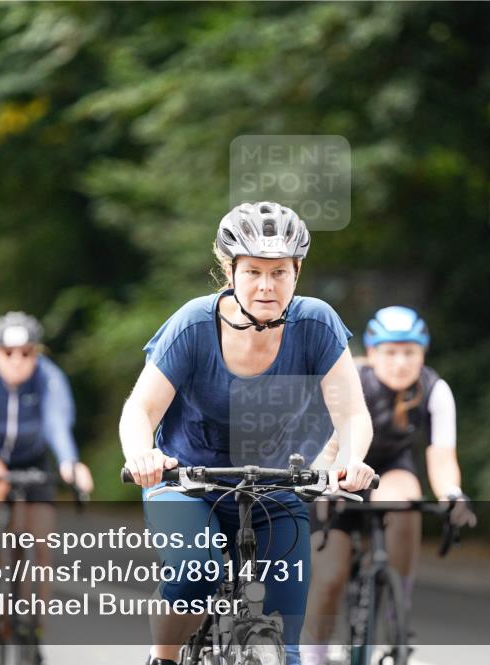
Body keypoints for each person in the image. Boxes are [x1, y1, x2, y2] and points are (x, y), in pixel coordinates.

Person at [120, 201, 377, 665]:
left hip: (274, 487)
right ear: (229, 269)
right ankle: (162, 657)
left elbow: (353, 414)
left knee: (286, 649)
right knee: (195, 572)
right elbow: (140, 408)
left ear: (297, 271)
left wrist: (351, 460)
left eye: (279, 272)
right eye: (253, 271)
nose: (266, 285)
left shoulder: (316, 324)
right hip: (186, 481)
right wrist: (142, 455)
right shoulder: (195, 324)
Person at [300, 306, 476, 665]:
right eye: (390, 352)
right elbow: (324, 445)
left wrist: (452, 496)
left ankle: (398, 609)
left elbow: (441, 459)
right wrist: (324, 486)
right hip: (339, 468)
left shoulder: (434, 389)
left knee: (406, 500)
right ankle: (313, 652)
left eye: (409, 352)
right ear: (373, 351)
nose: (400, 362)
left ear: (422, 353)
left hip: (390, 469)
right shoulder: (350, 381)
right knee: (330, 575)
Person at [0, 311, 94, 661]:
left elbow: (57, 423)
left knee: (42, 543)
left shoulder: (49, 378)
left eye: (26, 353)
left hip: (33, 464)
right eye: (7, 352)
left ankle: (34, 628)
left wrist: (70, 463)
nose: (17, 360)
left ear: (37, 352)